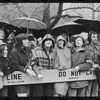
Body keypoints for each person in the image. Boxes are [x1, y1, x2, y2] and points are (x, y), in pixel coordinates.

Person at [85, 30, 100, 96]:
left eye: (96, 37)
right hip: (89, 70)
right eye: (94, 37)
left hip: (98, 70)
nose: (95, 39)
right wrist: (92, 65)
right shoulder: (86, 47)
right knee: (88, 89)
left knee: (95, 89)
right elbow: (86, 59)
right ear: (90, 37)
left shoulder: (99, 47)